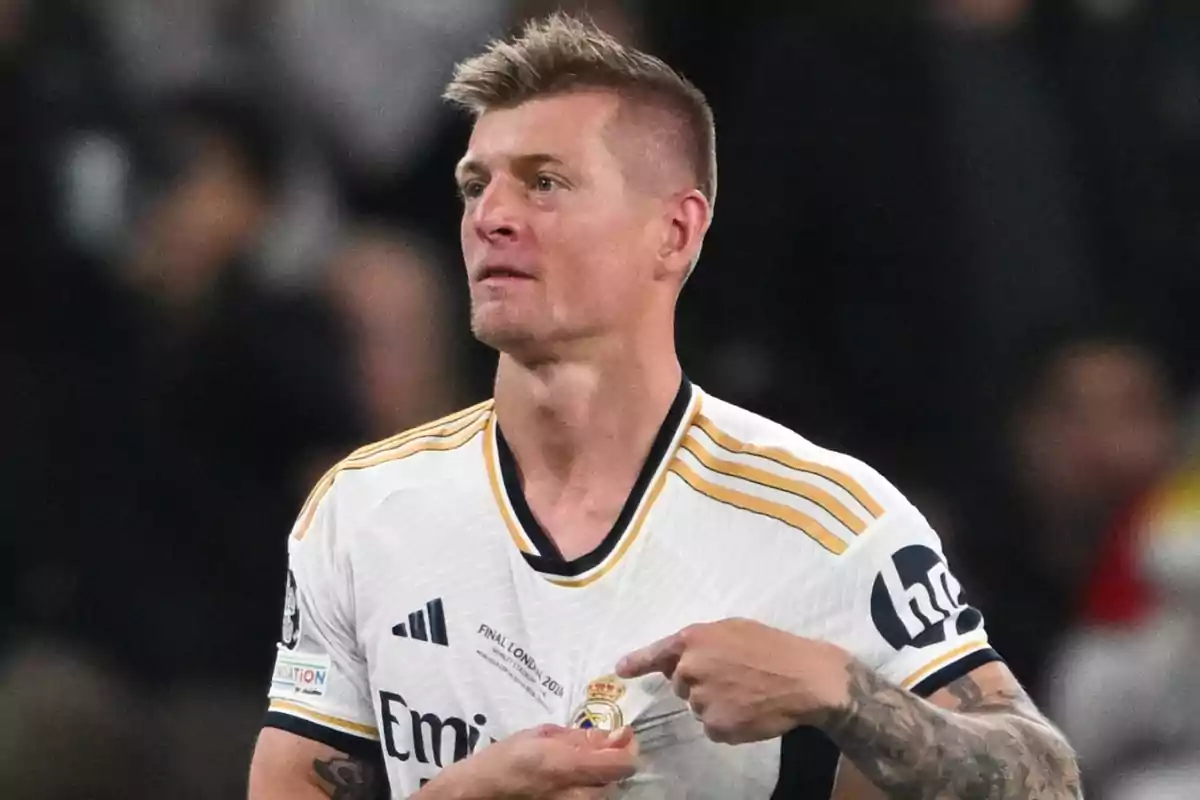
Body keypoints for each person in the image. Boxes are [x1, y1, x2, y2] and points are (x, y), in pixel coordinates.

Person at [247, 13, 1081, 799]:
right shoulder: (364, 509)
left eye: (544, 183)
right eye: (475, 186)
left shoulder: (828, 519)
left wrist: (840, 690)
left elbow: (1046, 776)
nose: (490, 218)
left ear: (675, 233)